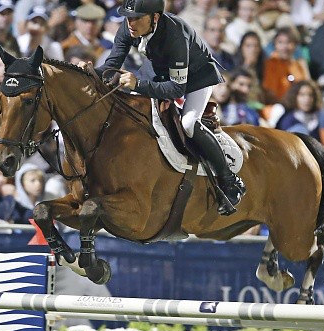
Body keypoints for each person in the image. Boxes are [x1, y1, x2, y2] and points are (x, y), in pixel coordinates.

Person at [90, 0, 246, 215]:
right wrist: (88, 74)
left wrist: (138, 84)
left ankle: (229, 180)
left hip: (196, 78)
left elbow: (175, 89)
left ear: (155, 17)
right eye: (128, 17)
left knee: (189, 123)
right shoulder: (128, 27)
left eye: (137, 18)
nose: (131, 23)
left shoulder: (175, 35)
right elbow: (112, 64)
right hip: (158, 72)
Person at [262, 27, 309, 104]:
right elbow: (269, 93)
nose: (285, 47)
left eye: (289, 42)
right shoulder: (270, 64)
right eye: (280, 42)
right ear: (275, 45)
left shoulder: (298, 65)